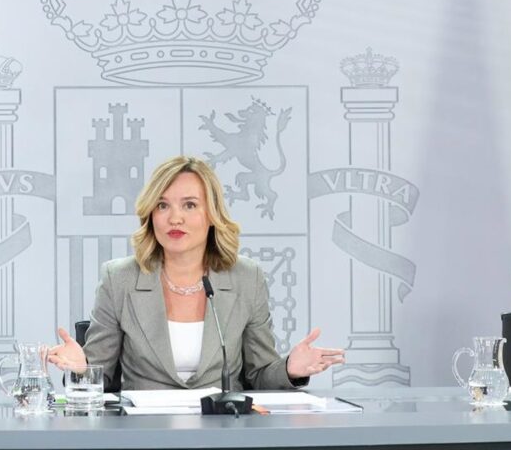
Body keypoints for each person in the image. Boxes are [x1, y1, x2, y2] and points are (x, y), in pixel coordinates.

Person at [47, 156, 344, 390]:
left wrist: (290, 368)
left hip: (222, 434)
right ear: (151, 215)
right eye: (162, 205)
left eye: (189, 205)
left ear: (212, 214)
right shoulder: (119, 278)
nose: (175, 217)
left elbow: (260, 375)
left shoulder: (246, 278)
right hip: (144, 435)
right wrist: (81, 369)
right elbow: (99, 377)